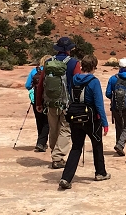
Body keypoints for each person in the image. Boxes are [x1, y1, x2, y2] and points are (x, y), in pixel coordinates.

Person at [59, 54, 110, 189]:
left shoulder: (74, 79)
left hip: (75, 117)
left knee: (76, 147)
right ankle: (100, 172)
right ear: (93, 67)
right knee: (97, 145)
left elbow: (71, 97)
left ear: (82, 66)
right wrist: (105, 123)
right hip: (91, 119)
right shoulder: (94, 81)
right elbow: (99, 104)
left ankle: (66, 178)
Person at [42, 37, 82, 169]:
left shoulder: (48, 62)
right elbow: (77, 84)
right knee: (66, 129)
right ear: (69, 50)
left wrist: (39, 102)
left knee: (53, 129)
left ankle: (55, 153)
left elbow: (42, 83)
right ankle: (58, 157)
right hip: (67, 103)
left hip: (50, 102)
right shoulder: (74, 63)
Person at [105, 58, 126, 156]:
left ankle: (119, 145)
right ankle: (120, 145)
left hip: (115, 107)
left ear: (119, 67)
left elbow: (108, 93)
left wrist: (114, 99)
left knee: (118, 126)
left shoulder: (113, 78)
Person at [24, 55, 52, 152]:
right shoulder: (51, 71)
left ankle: (41, 142)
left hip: (36, 98)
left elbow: (27, 85)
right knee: (47, 122)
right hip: (48, 98)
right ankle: (41, 143)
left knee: (39, 120)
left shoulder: (34, 71)